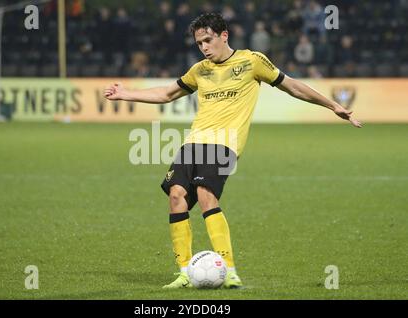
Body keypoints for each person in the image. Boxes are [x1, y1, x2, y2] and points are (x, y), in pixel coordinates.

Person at [104, 13, 362, 290]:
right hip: (194, 141)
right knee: (176, 196)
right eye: (199, 43)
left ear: (223, 35)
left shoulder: (252, 61)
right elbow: (167, 94)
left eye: (208, 40)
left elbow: (293, 87)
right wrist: (126, 93)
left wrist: (331, 104)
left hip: (225, 143)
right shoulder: (199, 70)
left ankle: (228, 270)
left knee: (205, 195)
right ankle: (184, 272)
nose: (203, 47)